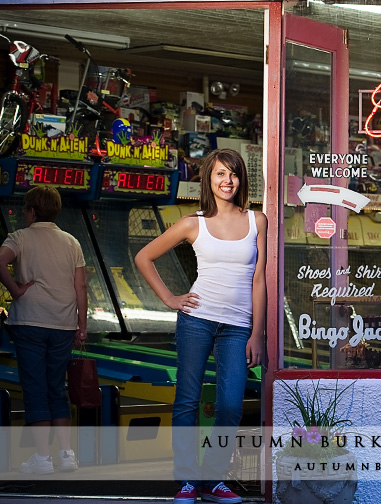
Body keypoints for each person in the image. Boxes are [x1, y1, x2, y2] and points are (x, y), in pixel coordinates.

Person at [135, 148, 267, 504]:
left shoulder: (258, 220)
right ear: (209, 179)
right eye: (221, 174)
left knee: (229, 404)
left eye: (233, 174)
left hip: (238, 327)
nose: (228, 181)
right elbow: (143, 256)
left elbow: (259, 279)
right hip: (196, 319)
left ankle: (212, 478)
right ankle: (188, 481)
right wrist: (170, 299)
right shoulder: (194, 222)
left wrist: (257, 332)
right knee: (187, 400)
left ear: (241, 180)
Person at [0, 185, 87, 474]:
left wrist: (16, 289)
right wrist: (81, 326)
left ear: (31, 211)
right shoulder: (72, 242)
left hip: (29, 321)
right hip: (63, 323)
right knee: (56, 387)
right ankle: (66, 454)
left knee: (35, 387)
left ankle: (43, 458)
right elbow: (80, 286)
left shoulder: (20, 237)